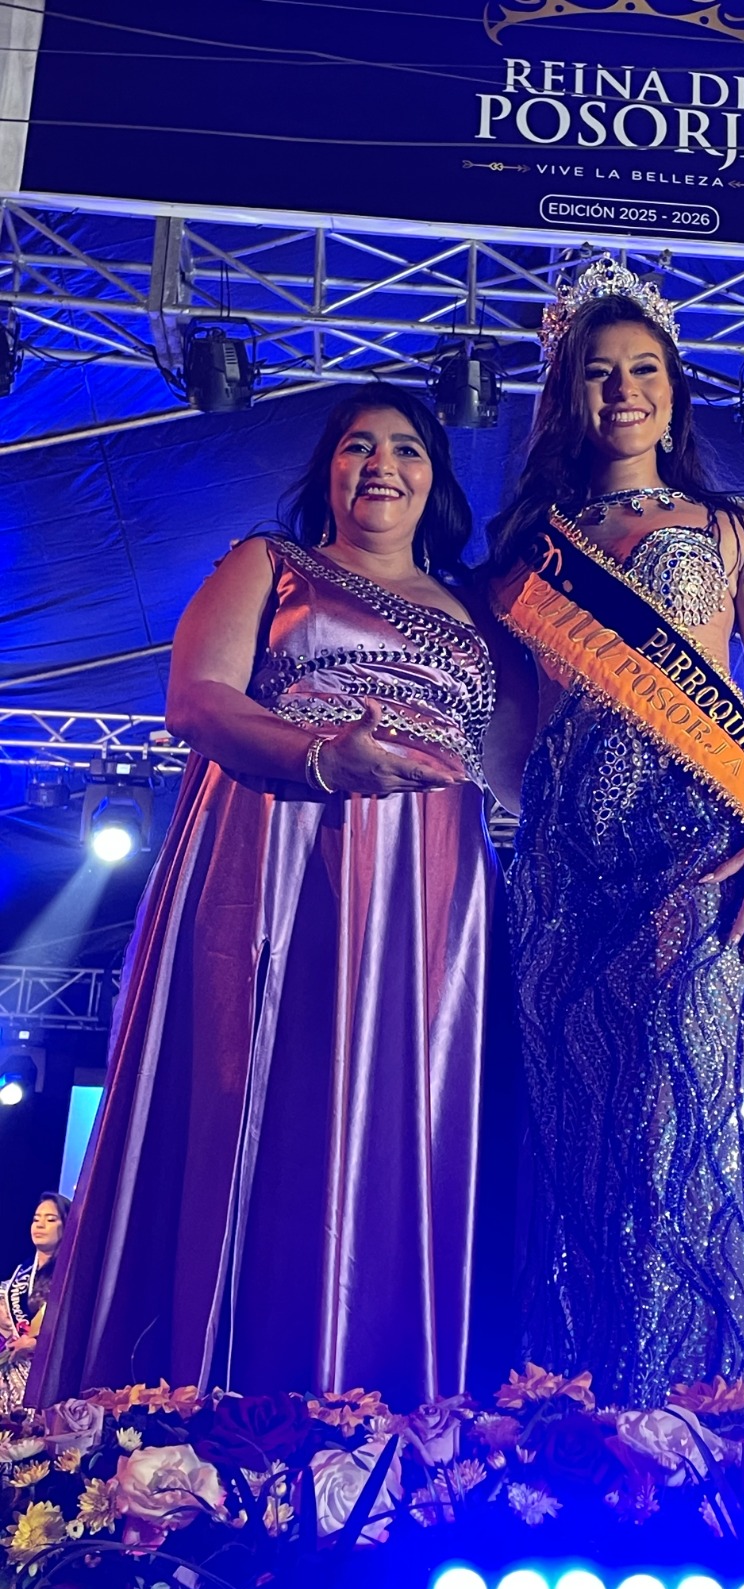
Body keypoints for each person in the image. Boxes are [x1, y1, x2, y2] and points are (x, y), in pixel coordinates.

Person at [30, 383, 531, 1411]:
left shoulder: (481, 613)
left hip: (433, 887)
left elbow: (520, 771)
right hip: (280, 850)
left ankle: (390, 1405)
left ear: (437, 480)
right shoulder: (273, 563)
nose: (381, 464)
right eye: (358, 446)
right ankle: (210, 1400)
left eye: (406, 448)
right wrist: (320, 757)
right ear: (327, 471)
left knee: (406, 1128)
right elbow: (195, 698)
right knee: (260, 1106)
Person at [488, 258, 744, 1428]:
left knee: (682, 1112)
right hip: (563, 872)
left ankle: (704, 1419)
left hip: (705, 849)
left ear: (675, 394)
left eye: (643, 370)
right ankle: (576, 1421)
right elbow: (508, 726)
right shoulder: (531, 544)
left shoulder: (738, 528)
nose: (622, 390)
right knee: (573, 1130)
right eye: (598, 371)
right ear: (567, 396)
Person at [0, 1193, 70, 1413]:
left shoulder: (68, 1278)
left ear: (66, 1226)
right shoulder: (20, 1274)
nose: (40, 1224)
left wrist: (36, 1344)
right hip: (9, 1378)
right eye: (36, 1219)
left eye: (50, 1219)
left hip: (45, 1380)